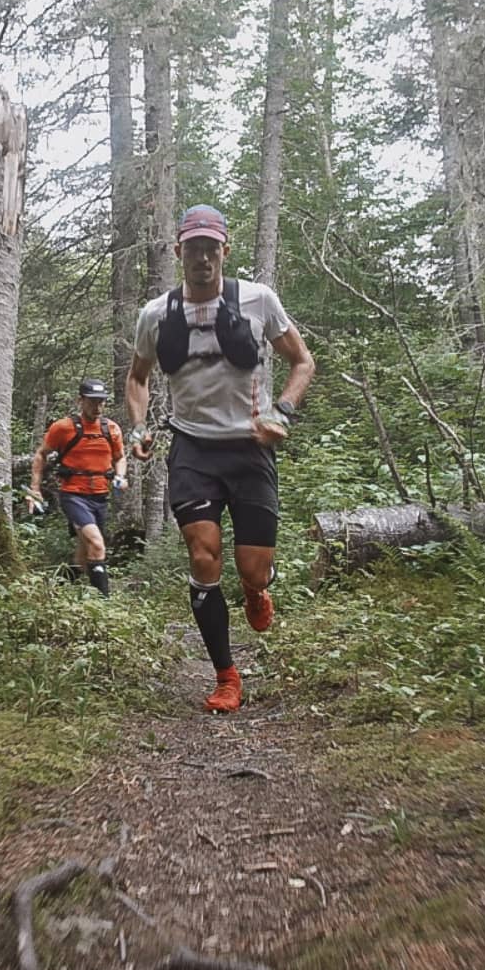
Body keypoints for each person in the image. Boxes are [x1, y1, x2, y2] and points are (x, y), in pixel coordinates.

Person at [125, 204, 315, 712]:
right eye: (193, 248)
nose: (203, 257)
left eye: (212, 248)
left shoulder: (258, 300)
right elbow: (137, 377)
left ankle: (257, 591)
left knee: (252, 568)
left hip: (250, 448)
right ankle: (226, 677)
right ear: (178, 252)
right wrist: (139, 426)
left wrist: (284, 413)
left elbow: (303, 360)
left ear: (225, 251)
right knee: (202, 552)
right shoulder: (156, 315)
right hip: (192, 449)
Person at [25, 377, 128, 596]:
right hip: (73, 495)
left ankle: (57, 590)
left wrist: (120, 475)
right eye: (92, 401)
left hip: (100, 496)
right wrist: (35, 489)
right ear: (80, 400)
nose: (97, 406)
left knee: (84, 556)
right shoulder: (63, 428)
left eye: (101, 402)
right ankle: (104, 605)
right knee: (98, 545)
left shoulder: (111, 429)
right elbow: (41, 455)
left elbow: (120, 457)